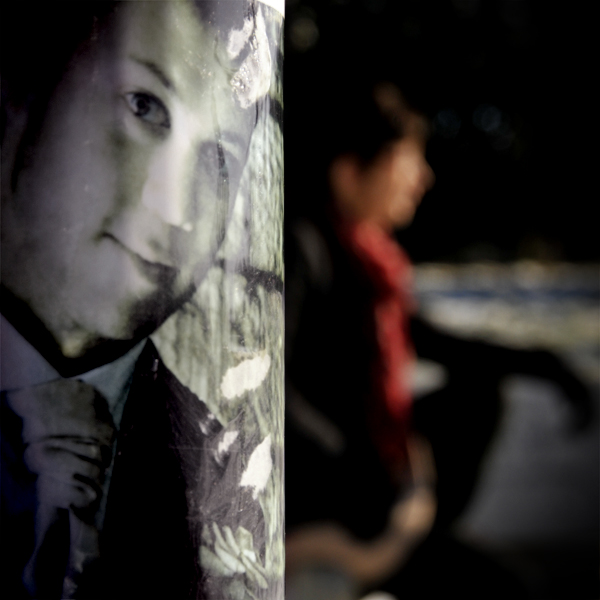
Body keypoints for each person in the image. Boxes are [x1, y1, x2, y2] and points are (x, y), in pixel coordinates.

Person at [1, 2, 281, 598]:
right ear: (21, 90)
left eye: (218, 160)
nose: (175, 210)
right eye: (144, 106)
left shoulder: (226, 467)